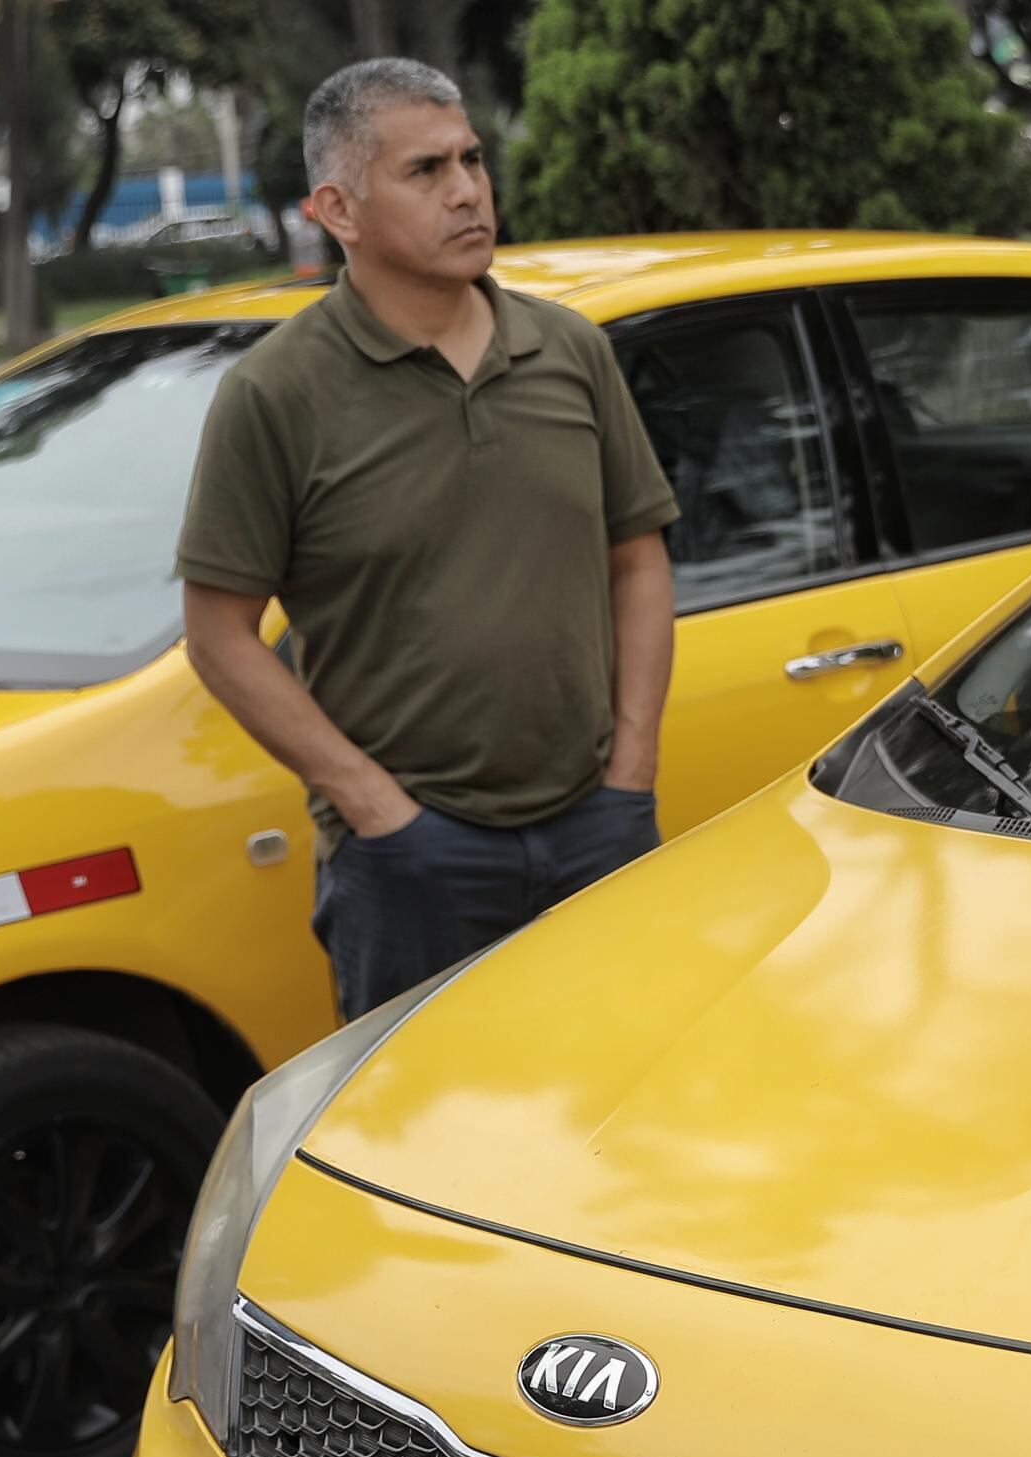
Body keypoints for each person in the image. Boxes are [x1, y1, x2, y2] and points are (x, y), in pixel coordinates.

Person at [176, 58, 678, 1019]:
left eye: (473, 161)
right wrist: (374, 809)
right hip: (411, 864)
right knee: (424, 1150)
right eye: (426, 171)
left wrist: (631, 776)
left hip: (597, 830)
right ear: (339, 210)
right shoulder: (276, 394)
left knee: (615, 1129)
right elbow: (220, 636)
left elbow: (639, 561)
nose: (467, 192)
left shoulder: (570, 352)